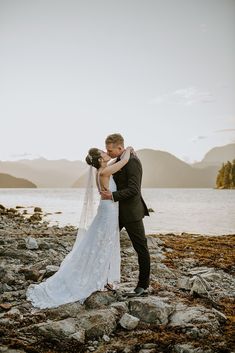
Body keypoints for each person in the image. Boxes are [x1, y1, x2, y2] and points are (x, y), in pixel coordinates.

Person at [26, 146, 133, 309]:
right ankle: (98, 280)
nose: (106, 153)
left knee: (102, 244)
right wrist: (129, 150)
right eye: (104, 153)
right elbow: (124, 161)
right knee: (103, 244)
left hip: (108, 211)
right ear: (99, 160)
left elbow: (117, 163)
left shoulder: (102, 171)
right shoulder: (105, 173)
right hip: (109, 212)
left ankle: (103, 278)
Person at [101, 133, 150, 297]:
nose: (108, 152)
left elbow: (134, 189)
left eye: (110, 150)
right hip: (116, 212)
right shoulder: (119, 160)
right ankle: (104, 279)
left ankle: (143, 285)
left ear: (120, 148)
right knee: (107, 244)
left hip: (131, 212)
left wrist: (113, 196)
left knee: (140, 248)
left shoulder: (133, 162)